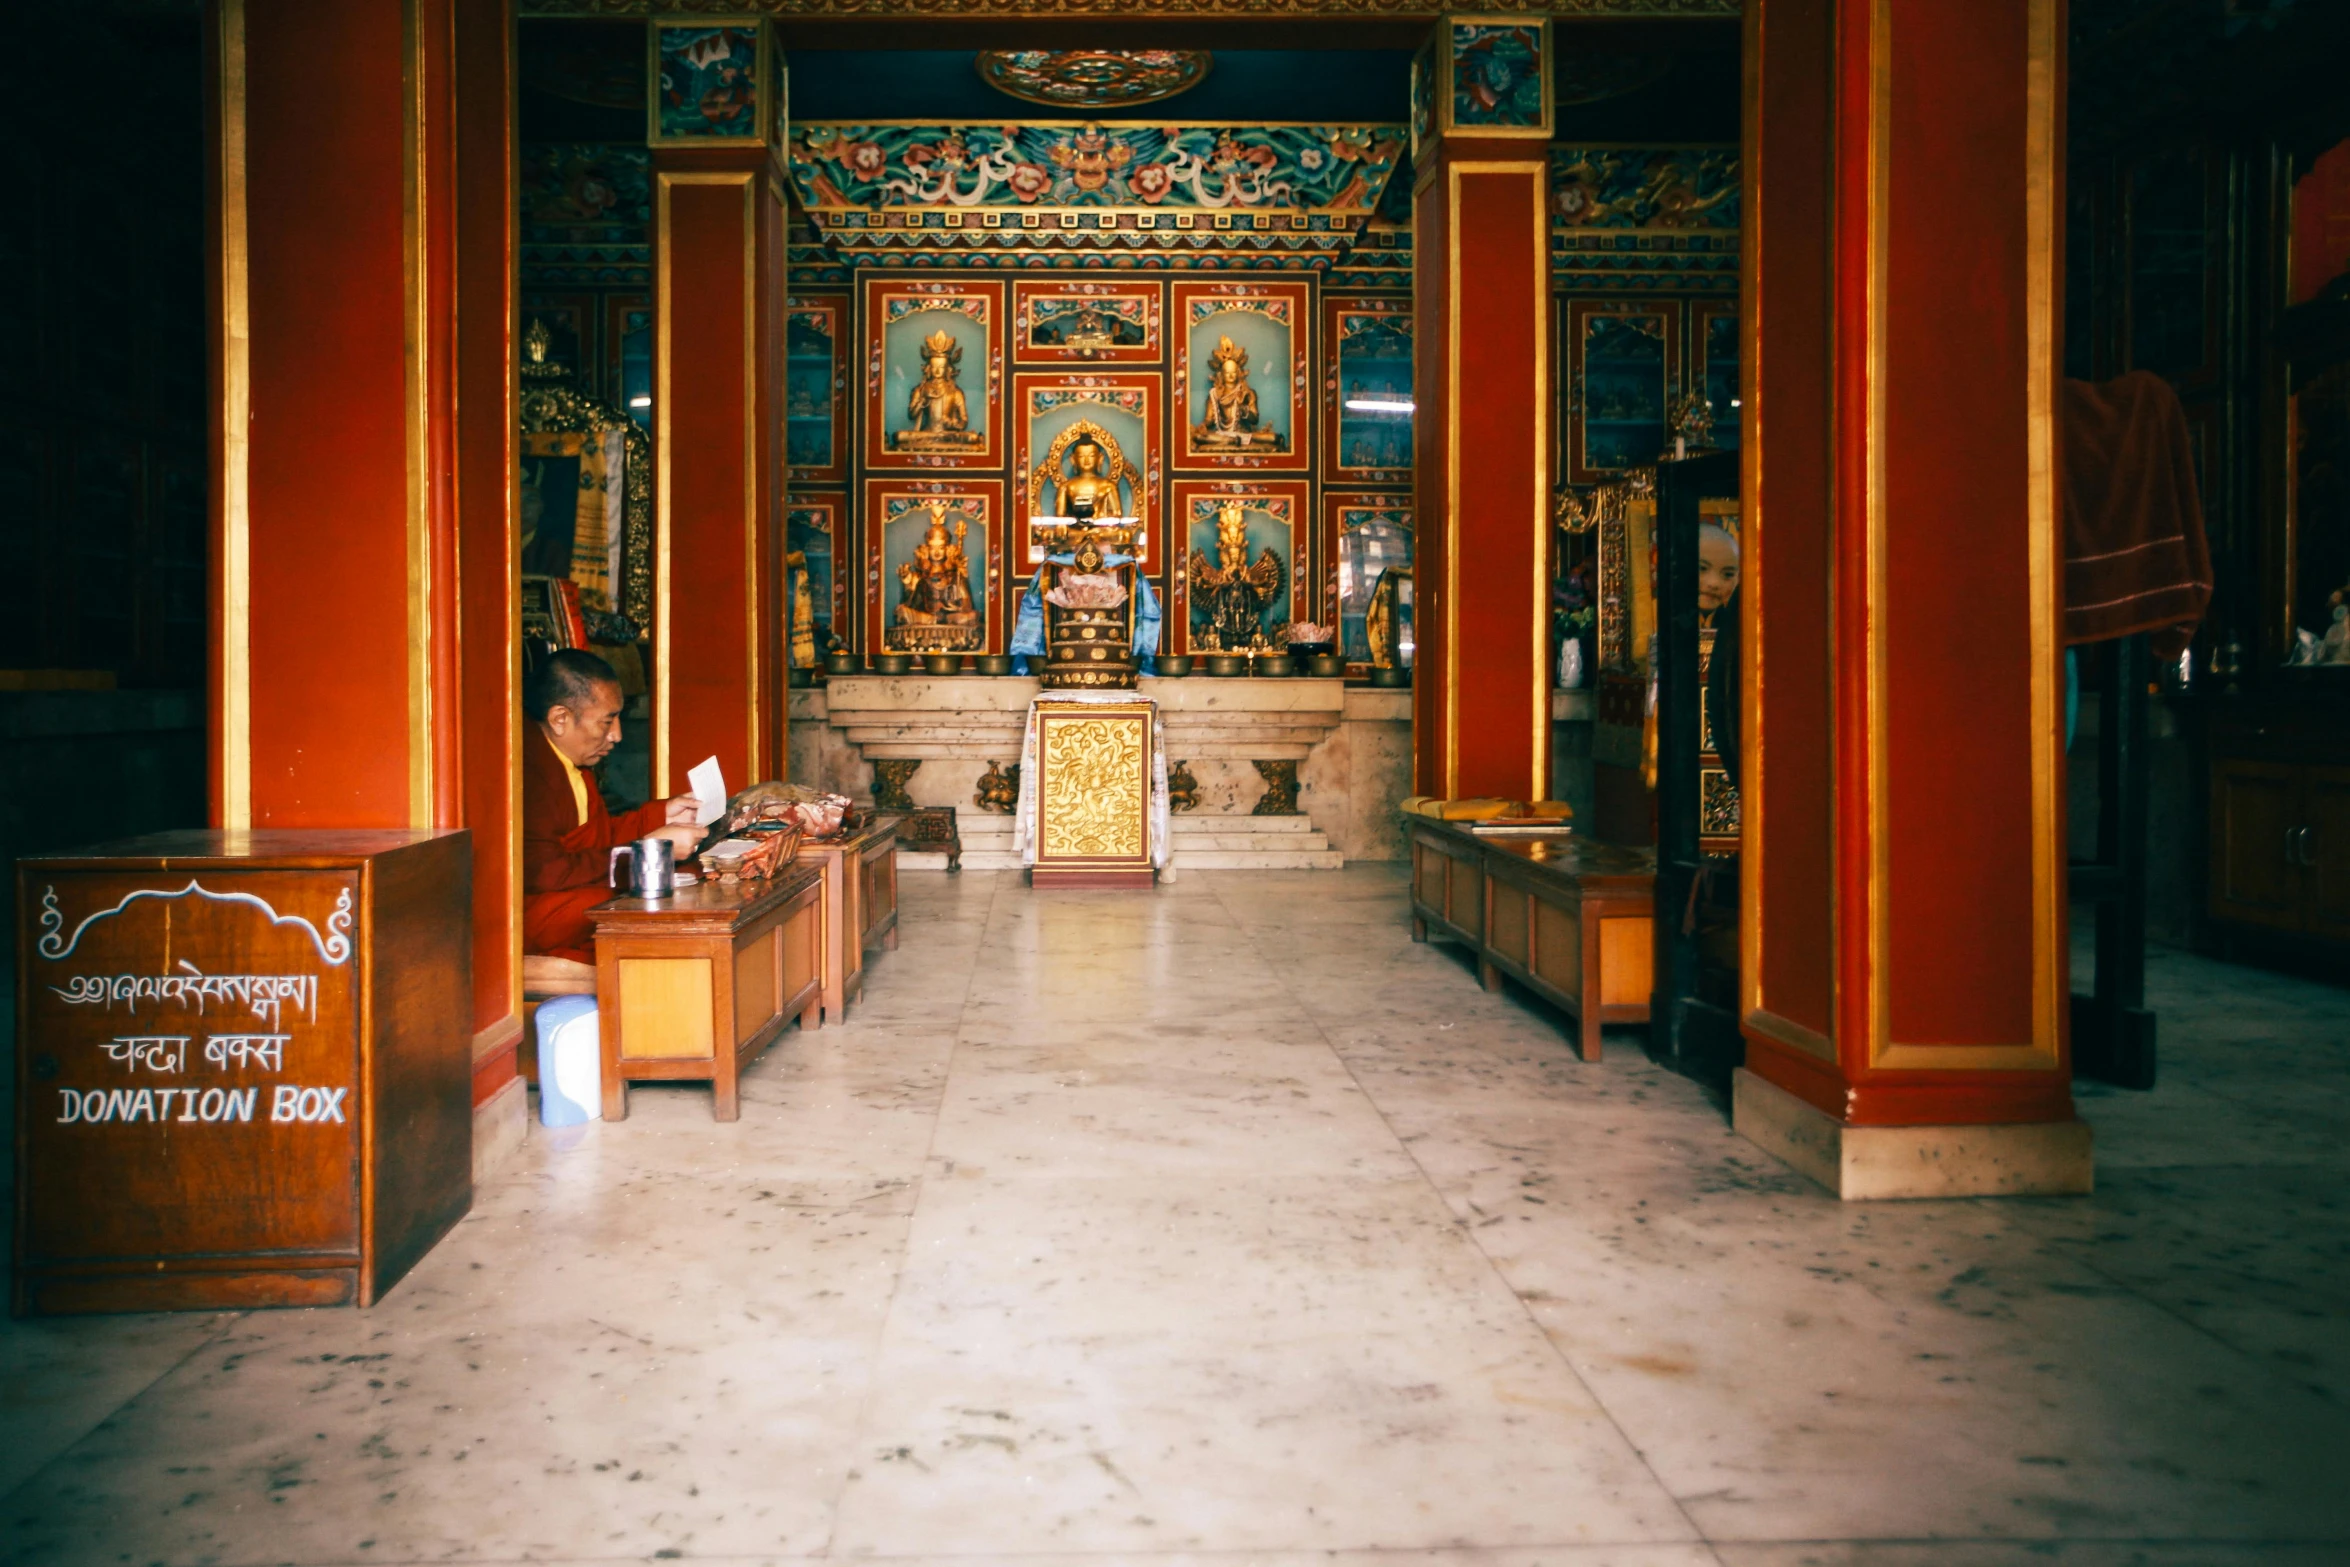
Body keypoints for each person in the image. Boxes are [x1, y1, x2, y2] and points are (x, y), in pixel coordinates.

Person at [523, 649, 700, 963]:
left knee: (683, 876)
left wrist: (661, 814)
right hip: (537, 907)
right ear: (560, 719)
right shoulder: (531, 769)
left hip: (569, 887)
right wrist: (642, 855)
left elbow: (597, 836)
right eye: (607, 721)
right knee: (624, 900)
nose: (616, 735)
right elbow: (545, 874)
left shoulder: (572, 764)